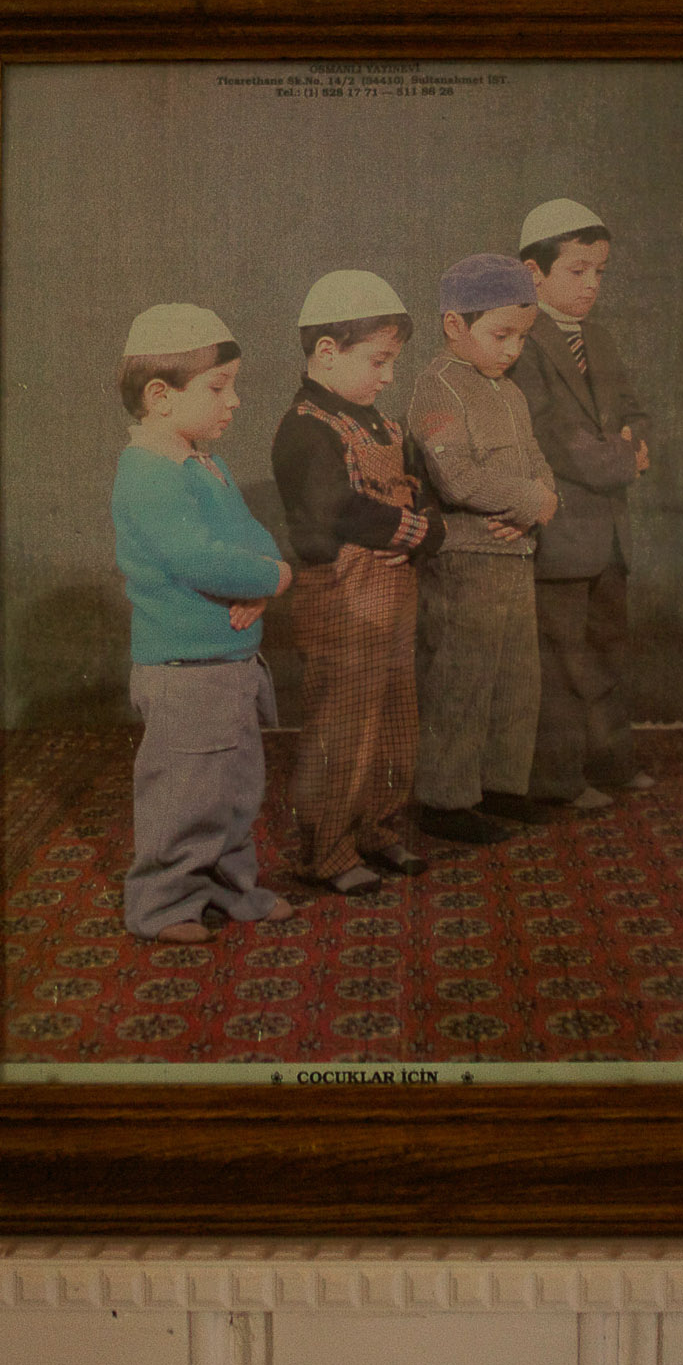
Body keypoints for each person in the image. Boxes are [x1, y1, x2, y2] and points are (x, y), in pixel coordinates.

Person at [109, 302, 297, 944]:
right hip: (186, 670)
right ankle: (161, 905)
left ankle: (228, 888)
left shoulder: (202, 463)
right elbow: (198, 558)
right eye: (219, 388)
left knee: (235, 789)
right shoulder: (149, 472)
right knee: (185, 794)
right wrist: (271, 578)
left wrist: (264, 580)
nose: (235, 401)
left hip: (228, 663)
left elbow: (253, 538)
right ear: (160, 396)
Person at [268, 269, 445, 895]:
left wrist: (428, 527)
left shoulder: (384, 426)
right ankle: (325, 848)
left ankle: (376, 826)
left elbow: (421, 495)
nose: (388, 375)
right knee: (343, 724)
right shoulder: (306, 429)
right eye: (378, 360)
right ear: (326, 353)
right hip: (341, 600)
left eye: (392, 361)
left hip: (392, 599)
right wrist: (416, 532)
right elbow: (334, 515)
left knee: (396, 716)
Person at [405, 254, 562, 845]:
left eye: (521, 337)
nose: (512, 349)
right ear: (454, 326)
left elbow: (541, 470)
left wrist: (543, 503)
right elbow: (459, 480)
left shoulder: (511, 394)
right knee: (462, 681)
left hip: (516, 554)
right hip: (465, 561)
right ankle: (446, 799)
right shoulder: (436, 388)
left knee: (517, 680)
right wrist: (532, 501)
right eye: (501, 335)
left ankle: (501, 785)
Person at [510, 198, 656, 804]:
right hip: (560, 530)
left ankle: (609, 762)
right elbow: (556, 441)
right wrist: (627, 457)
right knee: (561, 661)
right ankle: (559, 778)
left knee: (606, 653)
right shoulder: (521, 340)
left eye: (600, 271)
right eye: (578, 271)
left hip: (609, 532)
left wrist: (636, 441)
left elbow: (636, 414)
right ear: (533, 273)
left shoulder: (601, 338)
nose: (592, 283)